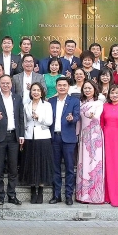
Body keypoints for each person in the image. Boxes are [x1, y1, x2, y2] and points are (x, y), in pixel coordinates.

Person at [0, 74, 24, 206]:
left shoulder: (17, 98)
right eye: (3, 83)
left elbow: (20, 117)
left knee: (13, 168)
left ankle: (12, 194)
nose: (5, 85)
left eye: (8, 83)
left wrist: (21, 135)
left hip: (14, 136)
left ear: (11, 84)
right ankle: (0, 195)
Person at [47, 77, 81, 205]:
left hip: (68, 138)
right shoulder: (51, 101)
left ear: (68, 87)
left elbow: (77, 116)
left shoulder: (74, 101)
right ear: (56, 87)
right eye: (59, 85)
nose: (62, 87)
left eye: (64, 85)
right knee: (55, 168)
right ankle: (56, 195)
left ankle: (68, 195)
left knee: (69, 168)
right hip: (54, 137)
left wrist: (72, 118)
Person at [21, 82, 54, 204]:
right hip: (29, 137)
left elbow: (49, 122)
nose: (36, 92)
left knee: (41, 164)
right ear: (30, 92)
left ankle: (40, 190)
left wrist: (39, 117)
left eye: (38, 90)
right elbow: (24, 122)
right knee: (31, 163)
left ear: (42, 92)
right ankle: (32, 190)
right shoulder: (26, 105)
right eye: (33, 90)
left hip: (43, 136)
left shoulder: (47, 105)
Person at [100, 86, 118, 207]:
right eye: (112, 93)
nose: (114, 95)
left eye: (117, 93)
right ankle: (107, 195)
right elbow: (101, 123)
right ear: (109, 95)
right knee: (108, 165)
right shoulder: (104, 106)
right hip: (107, 137)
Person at [76, 81, 105, 205]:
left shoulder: (99, 103)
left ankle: (95, 195)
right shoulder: (81, 103)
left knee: (94, 163)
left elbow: (97, 117)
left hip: (94, 135)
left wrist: (91, 115)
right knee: (83, 163)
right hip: (84, 135)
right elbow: (78, 121)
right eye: (85, 88)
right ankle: (82, 195)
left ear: (94, 89)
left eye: (90, 88)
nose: (87, 90)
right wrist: (77, 134)